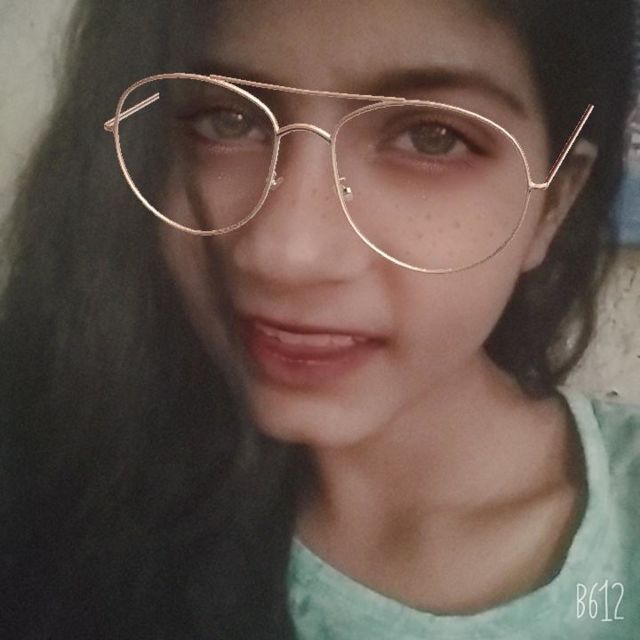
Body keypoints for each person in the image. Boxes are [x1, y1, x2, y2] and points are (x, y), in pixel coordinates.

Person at [0, 1, 638, 639]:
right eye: (227, 119)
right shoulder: (62, 468)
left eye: (431, 137)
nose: (285, 254)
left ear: (554, 204)